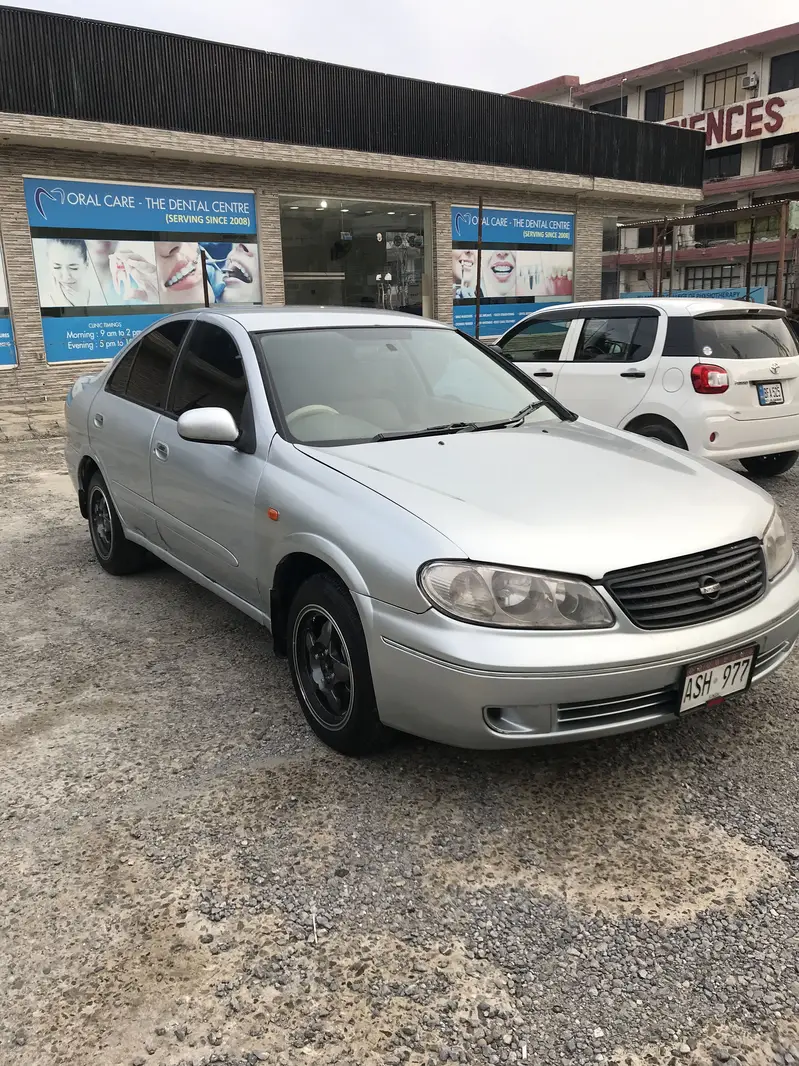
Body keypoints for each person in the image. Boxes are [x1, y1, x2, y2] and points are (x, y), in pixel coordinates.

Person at [41, 238, 106, 307]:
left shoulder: (101, 299)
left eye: (73, 268)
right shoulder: (43, 302)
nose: (66, 277)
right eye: (57, 267)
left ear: (86, 264)